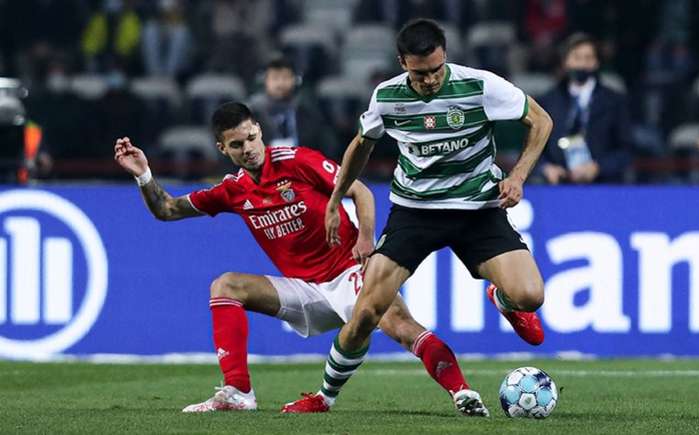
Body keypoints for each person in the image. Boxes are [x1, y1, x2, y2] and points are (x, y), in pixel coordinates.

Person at [114, 102, 489, 416]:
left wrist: (365, 237)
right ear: (222, 149)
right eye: (236, 145)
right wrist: (144, 174)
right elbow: (167, 210)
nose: (248, 148)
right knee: (225, 286)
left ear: (259, 130)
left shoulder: (298, 161)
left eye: (251, 138)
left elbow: (360, 191)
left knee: (401, 325)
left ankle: (462, 392)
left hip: (347, 274)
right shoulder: (233, 191)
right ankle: (238, 393)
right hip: (303, 289)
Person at [284, 18, 552, 413]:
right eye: (420, 73)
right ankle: (324, 397)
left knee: (531, 296)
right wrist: (335, 198)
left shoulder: (480, 85)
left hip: (476, 208)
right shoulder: (387, 96)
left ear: (446, 57)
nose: (429, 80)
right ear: (401, 62)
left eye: (436, 70)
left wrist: (518, 175)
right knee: (366, 313)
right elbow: (362, 145)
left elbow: (541, 120)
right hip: (415, 212)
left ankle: (504, 300)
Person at [538, 33, 631, 184]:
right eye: (576, 58)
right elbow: (533, 146)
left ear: (596, 62)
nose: (582, 64)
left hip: (602, 186)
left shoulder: (614, 101)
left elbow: (626, 151)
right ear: (565, 62)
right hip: (557, 187)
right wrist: (546, 168)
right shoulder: (548, 101)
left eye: (588, 58)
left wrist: (598, 167)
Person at [248, 57, 337, 156]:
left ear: (296, 80)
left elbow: (321, 142)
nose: (280, 83)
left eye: (285, 78)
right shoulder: (252, 113)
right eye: (275, 78)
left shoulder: (308, 110)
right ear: (264, 81)